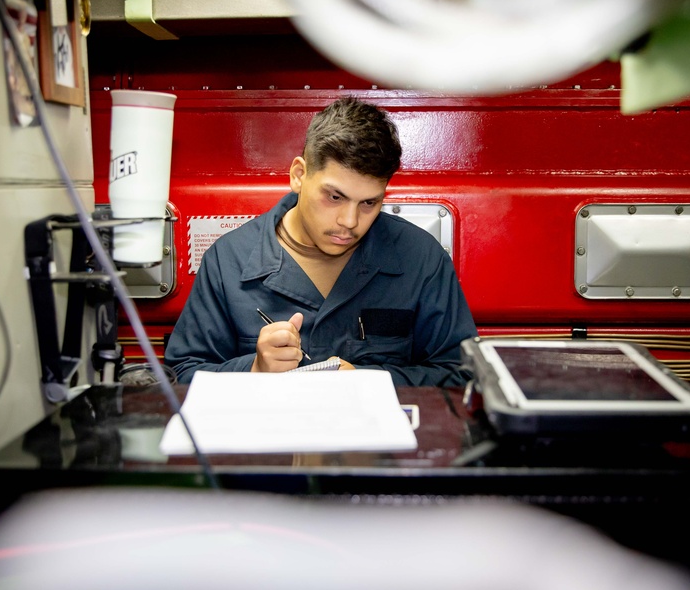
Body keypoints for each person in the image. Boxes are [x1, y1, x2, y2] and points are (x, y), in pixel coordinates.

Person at [164, 97, 477, 386]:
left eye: (369, 203)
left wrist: (368, 381)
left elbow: (460, 373)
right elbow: (182, 374)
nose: (350, 221)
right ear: (299, 175)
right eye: (335, 196)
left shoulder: (421, 259)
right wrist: (254, 370)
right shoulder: (229, 260)